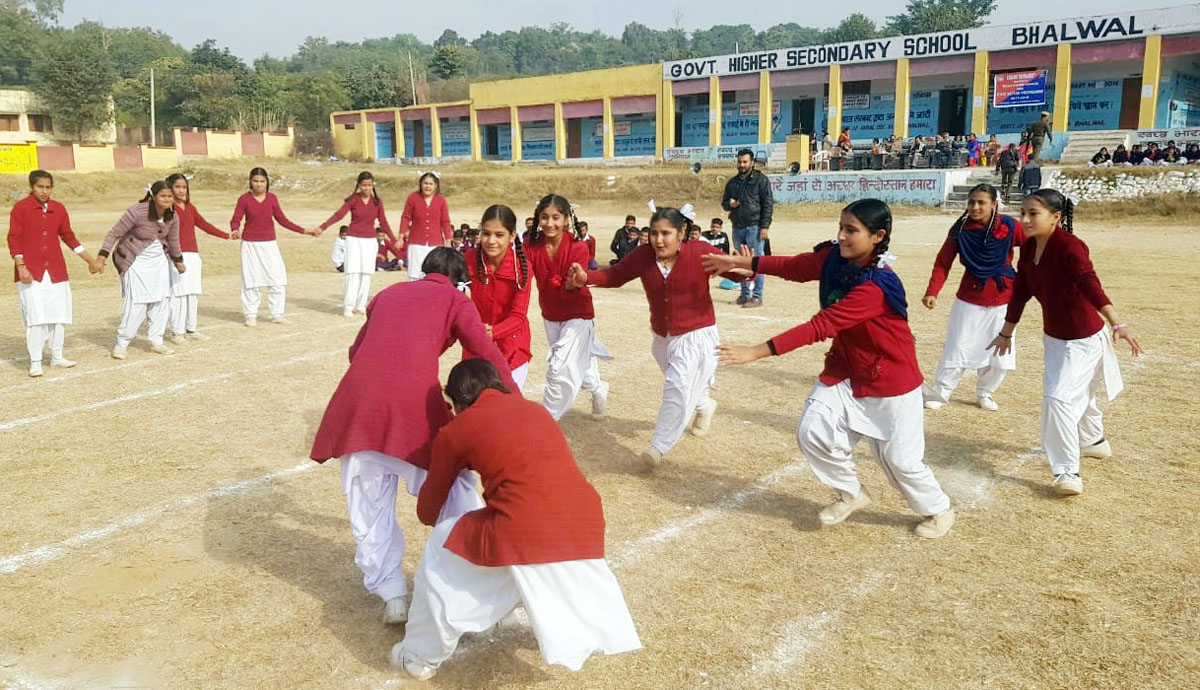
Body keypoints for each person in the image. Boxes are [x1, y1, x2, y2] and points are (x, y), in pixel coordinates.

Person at [702, 199, 955, 538]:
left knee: (900, 462)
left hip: (890, 380)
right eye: (841, 227)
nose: (842, 236)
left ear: (878, 237)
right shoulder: (834, 257)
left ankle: (939, 509)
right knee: (813, 430)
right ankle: (851, 493)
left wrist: (756, 352)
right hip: (846, 369)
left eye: (851, 230)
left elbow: (821, 325)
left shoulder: (876, 286)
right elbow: (795, 267)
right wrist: (739, 262)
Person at [392, 359, 641, 680]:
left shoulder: (458, 429)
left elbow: (427, 512)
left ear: (458, 401)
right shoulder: (535, 410)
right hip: (586, 522)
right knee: (506, 546)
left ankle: (418, 656)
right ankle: (499, 612)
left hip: (524, 528)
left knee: (443, 542)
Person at [309, 248, 516, 626]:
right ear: (459, 281)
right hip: (412, 407)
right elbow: (485, 352)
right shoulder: (455, 299)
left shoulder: (388, 293)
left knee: (368, 504)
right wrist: (514, 403)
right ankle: (478, 580)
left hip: (360, 407)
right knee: (455, 489)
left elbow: (356, 351)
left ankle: (392, 595)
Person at [989, 190, 1142, 496]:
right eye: (1023, 213)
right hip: (1055, 339)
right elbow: (1021, 292)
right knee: (1079, 394)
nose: (1025, 219)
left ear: (1056, 217)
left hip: (1084, 341)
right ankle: (1093, 441)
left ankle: (1067, 471)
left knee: (1058, 399)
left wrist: (1117, 322)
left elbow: (1088, 281)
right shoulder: (1029, 248)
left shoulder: (1070, 246)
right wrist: (1006, 333)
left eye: (1034, 213)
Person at [570, 205, 742, 467]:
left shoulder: (699, 252)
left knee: (677, 386)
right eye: (653, 233)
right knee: (683, 384)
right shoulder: (644, 255)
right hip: (663, 337)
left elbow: (734, 271)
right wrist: (586, 277)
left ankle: (659, 446)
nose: (658, 240)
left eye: (666, 234)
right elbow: (615, 275)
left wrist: (745, 267)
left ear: (681, 233)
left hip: (696, 335)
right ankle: (704, 404)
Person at [922, 184, 1026, 411]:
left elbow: (1032, 247)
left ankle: (985, 392)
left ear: (994, 204)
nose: (975, 207)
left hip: (1004, 299)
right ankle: (942, 391)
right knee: (957, 345)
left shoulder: (1010, 225)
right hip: (970, 297)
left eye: (981, 202)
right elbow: (943, 262)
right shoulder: (959, 230)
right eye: (971, 202)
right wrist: (932, 291)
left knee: (1000, 349)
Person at [525, 194, 611, 420]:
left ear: (566, 219)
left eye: (556, 217)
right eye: (544, 217)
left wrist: (573, 283)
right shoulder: (531, 247)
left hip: (578, 314)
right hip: (551, 314)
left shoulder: (578, 247)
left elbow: (575, 281)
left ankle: (546, 420)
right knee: (578, 367)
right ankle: (598, 388)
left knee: (560, 367)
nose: (549, 223)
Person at [7, 170, 99, 377]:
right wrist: (21, 265)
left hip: (56, 270)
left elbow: (69, 237)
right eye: (40, 187)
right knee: (36, 317)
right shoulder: (21, 208)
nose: (44, 191)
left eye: (48, 187)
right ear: (32, 187)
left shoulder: (58, 208)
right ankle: (36, 361)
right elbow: (14, 238)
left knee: (59, 314)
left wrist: (90, 260)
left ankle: (57, 356)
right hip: (31, 271)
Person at [96, 181, 186, 359]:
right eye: (163, 196)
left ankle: (157, 341)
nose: (167, 199)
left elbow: (173, 240)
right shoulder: (137, 211)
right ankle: (122, 343)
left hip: (159, 262)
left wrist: (178, 260)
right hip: (135, 260)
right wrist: (102, 256)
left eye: (170, 196)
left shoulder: (173, 216)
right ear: (153, 196)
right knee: (137, 303)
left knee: (161, 301)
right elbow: (115, 233)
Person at [230, 167, 312, 326]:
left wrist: (304, 230)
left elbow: (283, 220)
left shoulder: (272, 199)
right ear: (250, 182)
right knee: (251, 280)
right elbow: (236, 219)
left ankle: (277, 314)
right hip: (250, 244)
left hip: (269, 244)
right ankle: (250, 315)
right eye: (255, 181)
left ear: (267, 182)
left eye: (262, 181)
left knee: (277, 278)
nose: (259, 184)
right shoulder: (244, 199)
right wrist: (235, 229)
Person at [464, 204, 533, 390]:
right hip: (476, 345)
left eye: (499, 235)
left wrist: (493, 331)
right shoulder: (469, 260)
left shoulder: (522, 268)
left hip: (512, 348)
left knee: (507, 402)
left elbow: (519, 316)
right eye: (486, 234)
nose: (491, 241)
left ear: (512, 235)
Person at [163, 173, 233, 344]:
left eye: (184, 187)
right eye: (177, 187)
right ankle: (177, 332)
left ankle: (191, 328)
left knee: (192, 292)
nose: (181, 190)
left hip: (193, 254)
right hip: (176, 255)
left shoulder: (190, 207)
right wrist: (172, 255)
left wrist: (226, 235)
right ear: (170, 188)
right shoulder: (168, 209)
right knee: (179, 293)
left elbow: (204, 224)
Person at [318, 171, 394, 317]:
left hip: (370, 240)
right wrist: (323, 227)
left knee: (366, 273)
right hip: (353, 239)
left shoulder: (377, 202)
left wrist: (394, 240)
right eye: (364, 185)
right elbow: (339, 215)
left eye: (369, 185)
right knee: (352, 272)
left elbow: (383, 221)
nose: (367, 188)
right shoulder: (353, 200)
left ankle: (361, 305)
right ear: (359, 185)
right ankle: (349, 305)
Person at [722, 148, 774, 308]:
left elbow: (768, 204)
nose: (742, 165)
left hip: (754, 227)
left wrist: (764, 227)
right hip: (737, 227)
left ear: (752, 163)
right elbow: (724, 203)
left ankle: (757, 296)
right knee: (740, 262)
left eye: (745, 162)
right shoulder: (732, 183)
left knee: (757, 262)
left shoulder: (761, 180)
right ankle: (744, 295)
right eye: (739, 162)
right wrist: (730, 204)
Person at [400, 171, 452, 281]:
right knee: (415, 273)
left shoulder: (441, 200)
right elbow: (406, 217)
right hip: (416, 243)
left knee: (434, 273)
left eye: (430, 184)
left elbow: (445, 221)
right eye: (425, 183)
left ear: (436, 185)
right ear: (421, 184)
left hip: (435, 244)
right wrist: (401, 236)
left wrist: (448, 241)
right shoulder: (413, 198)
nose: (427, 186)